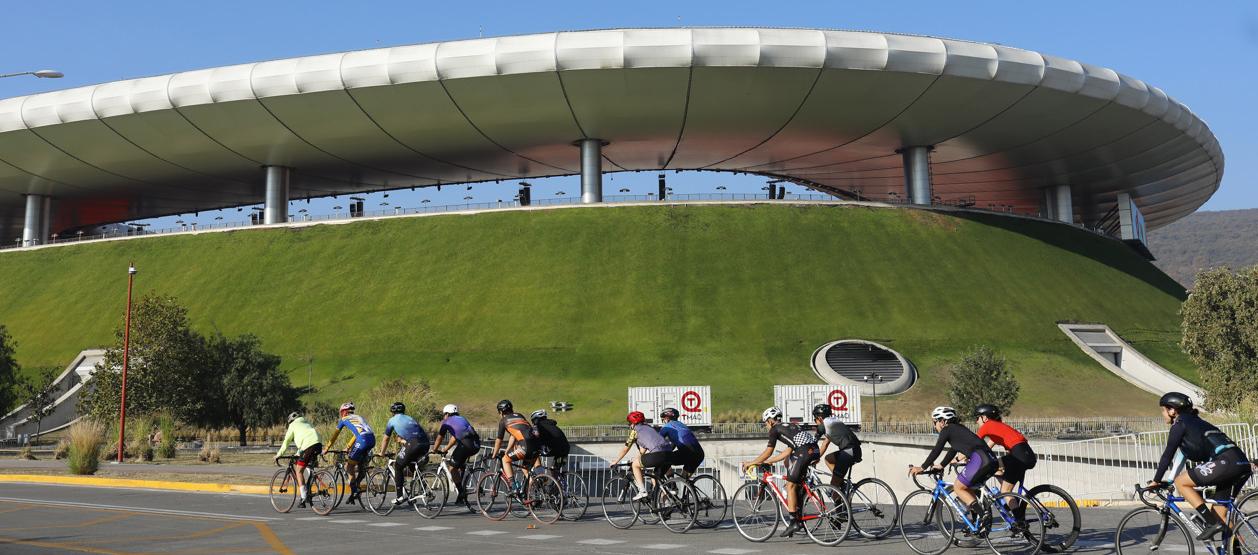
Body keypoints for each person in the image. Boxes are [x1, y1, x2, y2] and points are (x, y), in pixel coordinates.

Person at [1148, 392, 1252, 540]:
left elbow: (1167, 454)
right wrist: (1169, 481)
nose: (1163, 414)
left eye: (1163, 410)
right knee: (1220, 517)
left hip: (1226, 462)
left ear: (1172, 410)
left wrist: (1156, 480)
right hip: (1240, 463)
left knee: (1181, 482)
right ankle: (1234, 549)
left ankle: (1210, 524)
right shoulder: (1196, 423)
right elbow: (1182, 456)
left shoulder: (1180, 424)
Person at [740, 407, 820, 538]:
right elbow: (787, 451)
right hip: (814, 450)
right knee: (796, 485)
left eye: (765, 422)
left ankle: (794, 522)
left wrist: (752, 462)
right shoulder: (790, 426)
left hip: (804, 452)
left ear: (770, 421)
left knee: (790, 485)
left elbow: (768, 451)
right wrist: (770, 461)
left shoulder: (774, 429)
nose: (766, 426)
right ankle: (799, 516)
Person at [910, 406, 997, 523]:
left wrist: (922, 467)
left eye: (934, 422)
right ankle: (977, 524)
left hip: (979, 459)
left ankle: (983, 515)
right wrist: (941, 465)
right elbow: (953, 449)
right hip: (991, 460)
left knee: (958, 487)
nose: (934, 426)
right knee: (967, 488)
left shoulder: (947, 429)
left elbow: (937, 448)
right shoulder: (958, 429)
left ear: (942, 421)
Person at [974, 404, 1036, 520]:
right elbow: (987, 448)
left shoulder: (987, 426)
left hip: (1018, 456)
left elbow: (974, 443)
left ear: (985, 418)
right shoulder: (999, 427)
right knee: (995, 467)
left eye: (977, 418)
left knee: (1005, 491)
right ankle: (1012, 507)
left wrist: (960, 459)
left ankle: (1020, 522)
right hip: (1027, 454)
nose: (976, 421)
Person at [608, 411, 674, 502]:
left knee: (635, 465)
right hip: (670, 453)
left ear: (633, 423)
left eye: (629, 423)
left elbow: (625, 448)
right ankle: (667, 504)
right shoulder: (648, 428)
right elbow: (643, 450)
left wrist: (616, 461)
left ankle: (642, 491)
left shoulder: (635, 431)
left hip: (658, 454)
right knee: (656, 480)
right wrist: (636, 458)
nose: (629, 425)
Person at [377, 401, 431, 506]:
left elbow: (386, 439)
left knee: (398, 466)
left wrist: (382, 453)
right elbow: (416, 434)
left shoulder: (391, 421)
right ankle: (423, 488)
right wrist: (402, 441)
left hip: (413, 443)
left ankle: (400, 496)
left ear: (392, 411)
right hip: (425, 443)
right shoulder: (410, 418)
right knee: (412, 465)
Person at [322, 401, 376, 506]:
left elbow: (335, 435)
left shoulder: (344, 419)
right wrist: (348, 446)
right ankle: (355, 490)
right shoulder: (359, 417)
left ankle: (355, 490)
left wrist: (326, 448)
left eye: (341, 412)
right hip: (372, 440)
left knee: (349, 466)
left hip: (363, 440)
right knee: (360, 465)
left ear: (344, 412)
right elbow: (358, 432)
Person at [432, 404, 480, 504]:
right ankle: (461, 496)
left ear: (447, 414)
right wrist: (446, 449)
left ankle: (462, 492)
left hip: (465, 445)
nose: (443, 417)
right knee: (460, 465)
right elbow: (454, 438)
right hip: (476, 445)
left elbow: (439, 437)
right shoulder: (462, 419)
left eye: (444, 415)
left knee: (452, 468)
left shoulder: (446, 422)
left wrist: (434, 449)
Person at [274, 411, 322, 508]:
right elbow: (305, 440)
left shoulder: (292, 425)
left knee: (299, 471)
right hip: (318, 444)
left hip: (308, 445)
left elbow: (286, 441)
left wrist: (278, 454)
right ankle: (312, 482)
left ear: (290, 421)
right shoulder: (306, 422)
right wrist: (297, 453)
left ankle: (304, 497)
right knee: (308, 466)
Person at [490, 400, 537, 496]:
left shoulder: (504, 421)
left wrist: (494, 454)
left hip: (525, 446)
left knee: (505, 460)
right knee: (526, 469)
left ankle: (513, 487)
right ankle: (537, 491)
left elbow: (499, 440)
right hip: (536, 446)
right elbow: (513, 435)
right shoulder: (520, 415)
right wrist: (508, 451)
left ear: (501, 412)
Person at [813, 403, 861, 490]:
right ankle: (841, 483)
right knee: (828, 459)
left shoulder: (823, 425)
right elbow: (825, 444)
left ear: (819, 418)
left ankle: (839, 498)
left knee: (834, 487)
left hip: (848, 452)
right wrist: (816, 457)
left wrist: (811, 458)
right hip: (856, 450)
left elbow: (813, 443)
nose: (815, 422)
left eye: (814, 419)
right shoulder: (834, 421)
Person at [658, 407, 704, 478]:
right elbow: (673, 446)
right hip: (699, 453)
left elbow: (657, 440)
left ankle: (672, 486)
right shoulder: (682, 425)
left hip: (687, 451)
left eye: (663, 419)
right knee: (685, 480)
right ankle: (690, 488)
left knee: (665, 460)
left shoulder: (667, 427)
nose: (663, 421)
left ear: (667, 418)